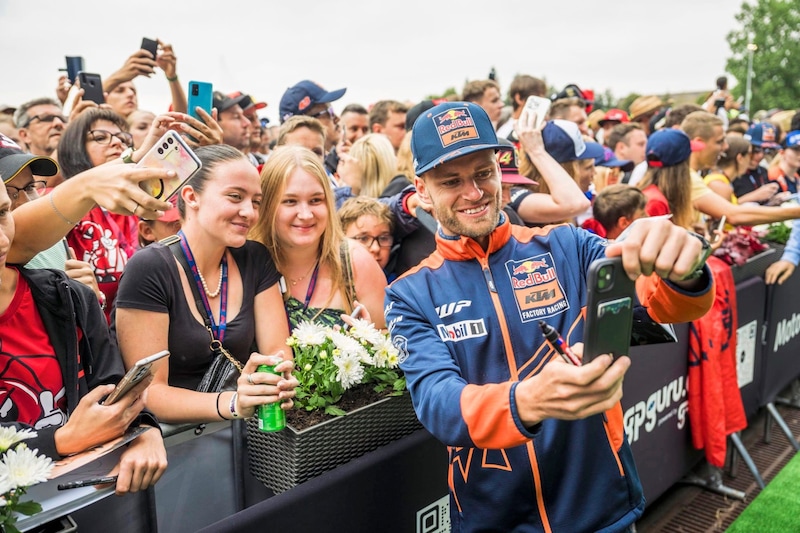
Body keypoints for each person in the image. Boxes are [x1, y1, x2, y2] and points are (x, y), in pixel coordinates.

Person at [385, 100, 714, 532]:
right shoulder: (409, 293)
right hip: (494, 518)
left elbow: (663, 303)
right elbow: (438, 404)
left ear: (500, 171)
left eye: (484, 173)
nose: (474, 192)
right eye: (452, 181)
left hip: (603, 509)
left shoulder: (566, 245)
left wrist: (683, 266)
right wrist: (527, 401)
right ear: (422, 190)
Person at [0, 183, 168, 496]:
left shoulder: (68, 298)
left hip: (85, 501)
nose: (2, 239)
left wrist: (143, 430)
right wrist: (61, 440)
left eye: (2, 214)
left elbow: (113, 387)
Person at [113, 144, 298, 423]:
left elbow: (277, 352)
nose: (248, 212)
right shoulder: (149, 268)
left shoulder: (254, 258)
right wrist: (234, 402)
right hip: (173, 444)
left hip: (245, 434)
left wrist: (279, 377)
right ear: (191, 196)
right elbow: (150, 392)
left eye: (256, 202)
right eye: (235, 197)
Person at [250, 146, 388, 330]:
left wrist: (368, 344)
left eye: (316, 200)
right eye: (290, 201)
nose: (306, 214)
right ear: (267, 205)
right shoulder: (245, 262)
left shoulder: (355, 262)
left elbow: (389, 342)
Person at [338, 195, 395, 276]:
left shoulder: (397, 285)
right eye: (363, 239)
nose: (376, 248)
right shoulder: (325, 283)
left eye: (383, 238)